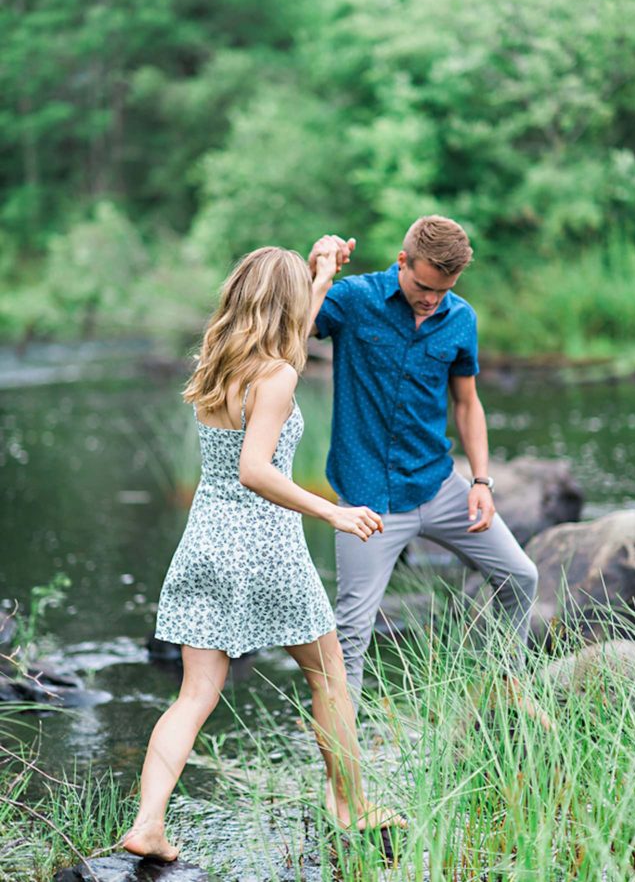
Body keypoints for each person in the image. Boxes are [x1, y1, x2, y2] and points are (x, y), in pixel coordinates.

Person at [120, 246, 406, 862]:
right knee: (328, 672)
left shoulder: (218, 362)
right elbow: (255, 470)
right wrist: (331, 510)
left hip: (203, 542)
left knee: (195, 694)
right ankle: (351, 803)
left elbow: (291, 344)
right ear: (285, 303)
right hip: (264, 546)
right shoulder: (275, 376)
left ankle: (148, 824)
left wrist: (322, 275)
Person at [308, 216, 549, 725]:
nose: (430, 299)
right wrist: (319, 273)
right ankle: (344, 784)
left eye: (443, 290)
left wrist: (481, 481)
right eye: (422, 286)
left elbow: (467, 403)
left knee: (520, 575)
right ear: (402, 262)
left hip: (439, 486)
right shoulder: (355, 300)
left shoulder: (460, 319)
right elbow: (294, 334)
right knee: (350, 635)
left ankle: (505, 684)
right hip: (366, 499)